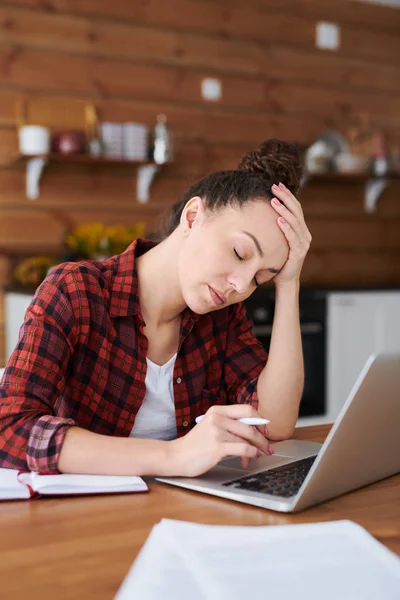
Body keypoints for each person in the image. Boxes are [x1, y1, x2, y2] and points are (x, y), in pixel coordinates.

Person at [0, 139, 311, 478]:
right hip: (85, 518)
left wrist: (288, 282)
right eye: (239, 253)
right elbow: (11, 429)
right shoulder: (75, 292)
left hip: (179, 511)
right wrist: (174, 456)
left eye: (259, 279)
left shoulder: (223, 316)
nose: (240, 286)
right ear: (193, 217)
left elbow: (276, 423)